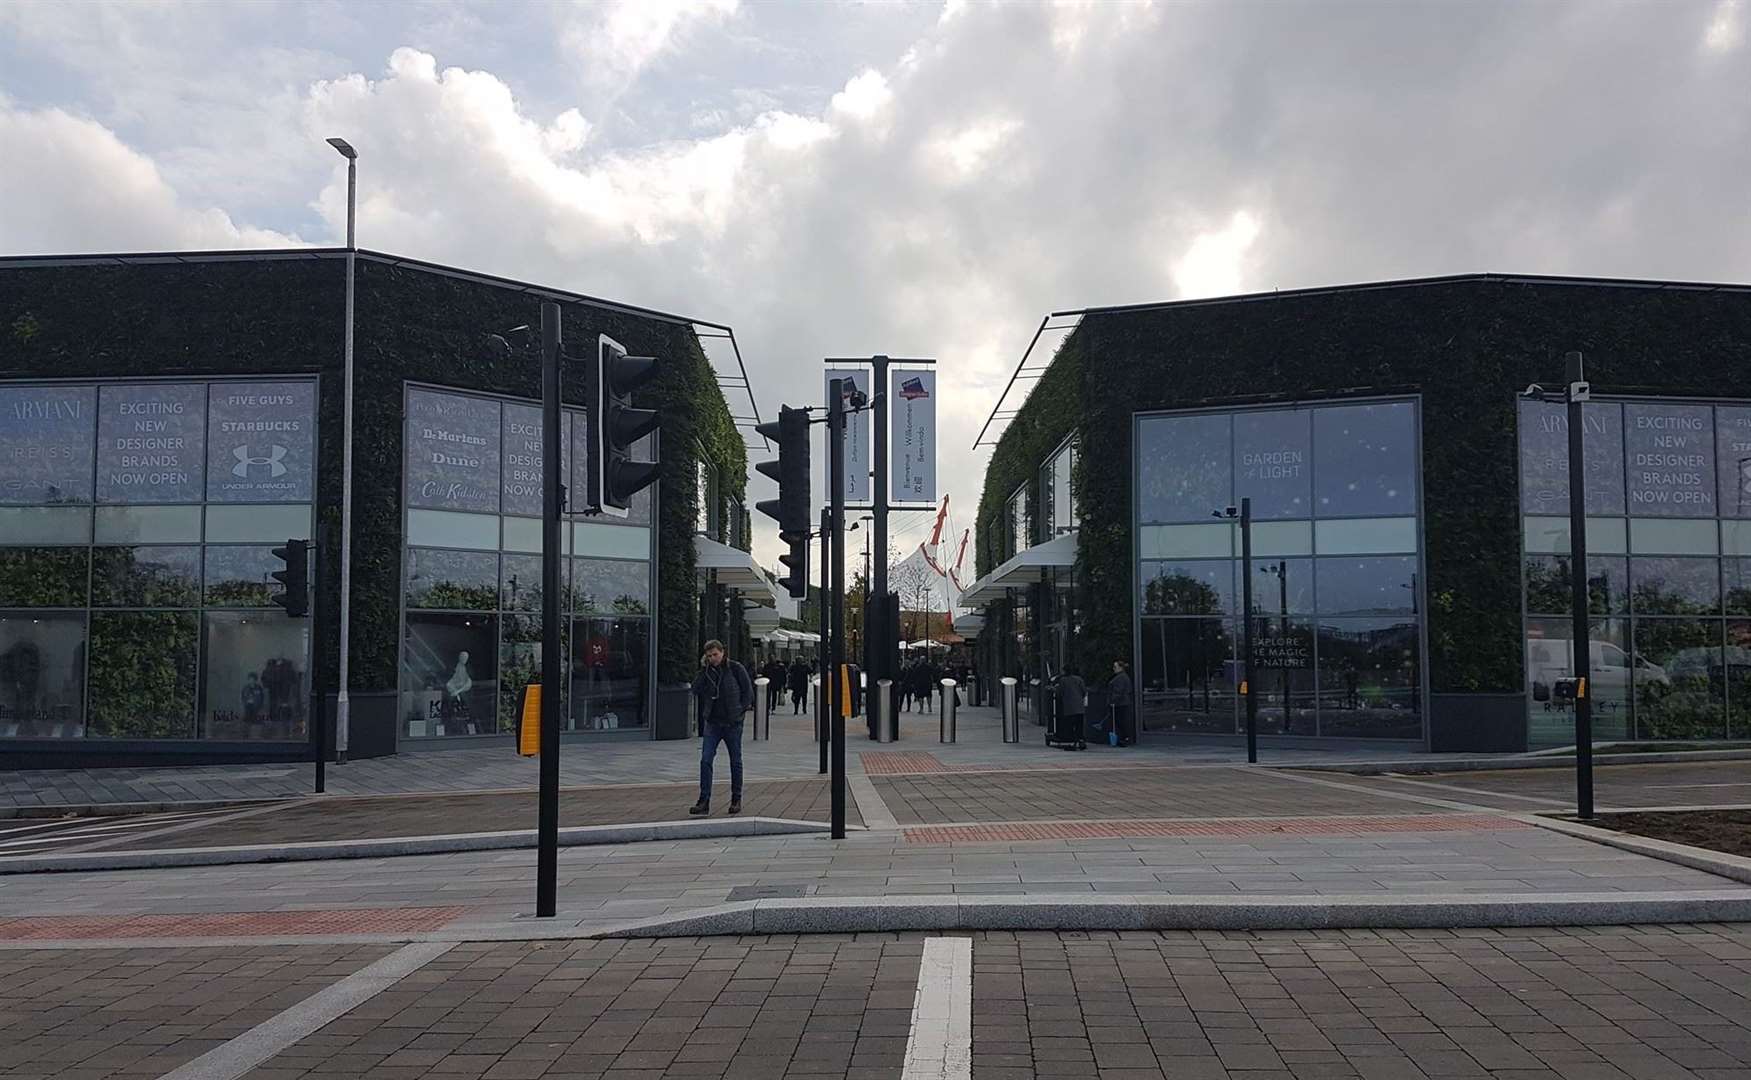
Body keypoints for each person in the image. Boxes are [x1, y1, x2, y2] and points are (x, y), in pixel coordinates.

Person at [690, 640, 753, 816]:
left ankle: (736, 798)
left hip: (732, 722)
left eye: (715, 655)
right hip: (713, 723)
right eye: (709, 656)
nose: (712, 659)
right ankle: (704, 800)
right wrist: (703, 670)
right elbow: (695, 689)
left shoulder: (735, 668)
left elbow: (748, 692)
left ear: (722, 652)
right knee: (706, 759)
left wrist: (740, 712)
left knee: (735, 761)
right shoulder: (707, 672)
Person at [1106, 659, 1134, 747]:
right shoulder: (1123, 677)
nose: (1113, 668)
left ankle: (1124, 739)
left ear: (1120, 668)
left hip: (1120, 704)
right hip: (1122, 703)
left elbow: (1118, 691)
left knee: (1121, 722)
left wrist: (1112, 701)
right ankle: (1124, 738)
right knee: (1121, 722)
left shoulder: (1120, 678)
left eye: (1115, 667)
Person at [1056, 668, 1086, 750]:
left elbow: (1060, 692)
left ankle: (1073, 742)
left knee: (1070, 725)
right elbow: (1084, 691)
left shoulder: (1063, 680)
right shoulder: (1079, 679)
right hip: (1079, 707)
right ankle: (1081, 741)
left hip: (1069, 707)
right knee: (1079, 725)